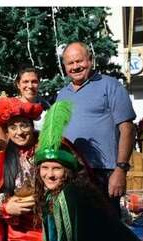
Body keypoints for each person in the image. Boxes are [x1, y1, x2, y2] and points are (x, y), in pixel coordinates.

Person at [35, 101, 143, 241]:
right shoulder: (57, 193)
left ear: (67, 171)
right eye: (44, 168)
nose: (49, 174)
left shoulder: (69, 195)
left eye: (57, 168)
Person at [56, 41, 136, 212]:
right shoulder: (62, 95)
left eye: (80, 61)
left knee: (106, 227)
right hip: (72, 172)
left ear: (90, 60)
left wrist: (120, 169)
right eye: (70, 63)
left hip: (104, 173)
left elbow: (127, 129)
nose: (76, 67)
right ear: (65, 66)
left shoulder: (110, 85)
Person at [0, 97, 44, 241]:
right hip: (20, 236)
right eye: (13, 127)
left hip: (50, 231)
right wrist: (5, 208)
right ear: (7, 132)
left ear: (32, 127)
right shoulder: (0, 160)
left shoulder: (49, 150)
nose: (19, 132)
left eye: (24, 125)